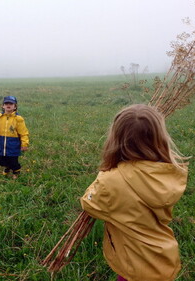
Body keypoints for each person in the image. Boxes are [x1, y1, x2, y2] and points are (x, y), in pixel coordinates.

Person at [80, 104, 188, 281]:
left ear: (116, 139)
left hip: (134, 265)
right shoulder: (167, 173)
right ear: (159, 138)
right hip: (162, 257)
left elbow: (89, 204)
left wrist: (103, 175)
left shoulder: (111, 180)